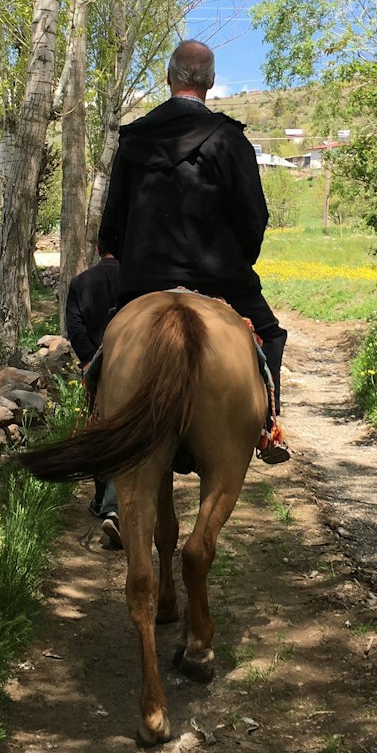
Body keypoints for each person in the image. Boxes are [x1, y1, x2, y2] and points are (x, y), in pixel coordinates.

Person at [98, 39, 289, 464]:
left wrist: (124, 252)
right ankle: (269, 428)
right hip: (218, 279)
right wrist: (239, 260)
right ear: (212, 83)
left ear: (168, 78)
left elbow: (110, 225)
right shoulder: (230, 140)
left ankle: (99, 432)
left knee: (106, 349)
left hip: (144, 281)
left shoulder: (133, 139)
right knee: (270, 334)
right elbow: (253, 218)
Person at [63, 252, 122, 545]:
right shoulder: (136, 281)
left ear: (99, 250)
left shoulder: (81, 282)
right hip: (133, 364)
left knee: (100, 428)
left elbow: (74, 327)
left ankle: (106, 502)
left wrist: (90, 360)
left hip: (98, 368)